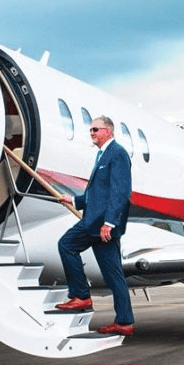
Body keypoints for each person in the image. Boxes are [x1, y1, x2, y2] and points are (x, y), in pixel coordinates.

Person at [56, 116, 134, 336]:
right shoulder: (103, 154)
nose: (91, 133)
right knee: (113, 275)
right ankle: (124, 321)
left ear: (108, 130)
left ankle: (80, 295)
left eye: (95, 129)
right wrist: (72, 201)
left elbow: (120, 192)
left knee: (66, 244)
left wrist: (109, 223)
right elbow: (96, 194)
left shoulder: (117, 154)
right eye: (90, 130)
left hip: (100, 224)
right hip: (98, 222)